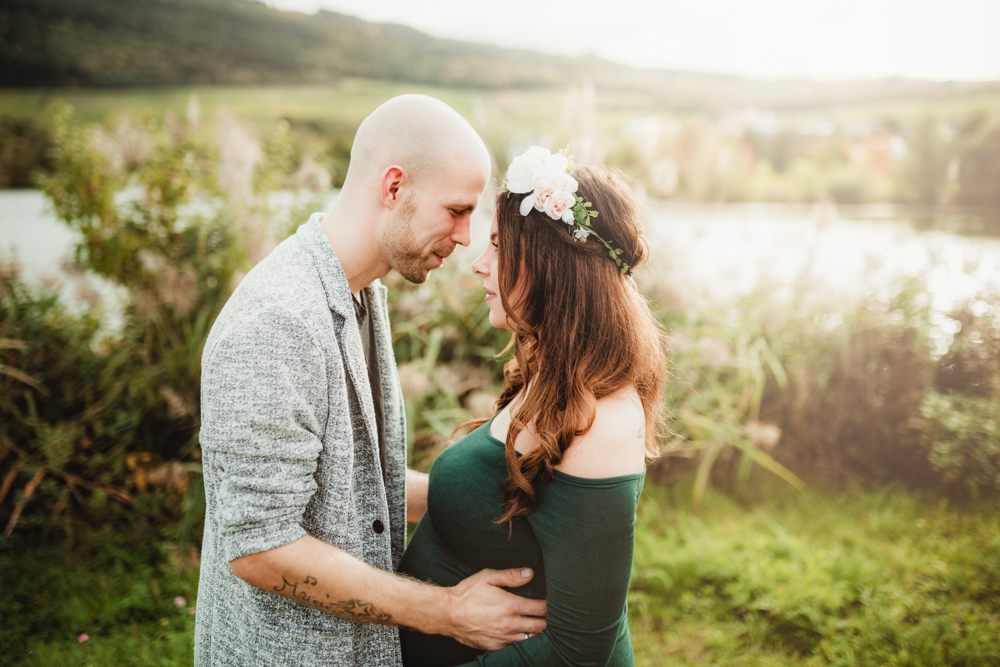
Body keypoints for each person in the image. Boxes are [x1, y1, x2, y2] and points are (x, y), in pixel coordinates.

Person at [194, 95, 547, 667]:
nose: (466, 238)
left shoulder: (362, 291)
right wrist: (447, 611)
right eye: (458, 210)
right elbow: (260, 548)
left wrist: (504, 504)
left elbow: (352, 487)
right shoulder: (277, 321)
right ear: (393, 188)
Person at [398, 147, 668, 666]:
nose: (478, 264)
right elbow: (487, 506)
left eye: (498, 246)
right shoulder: (552, 376)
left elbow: (578, 650)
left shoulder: (602, 422)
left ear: (552, 265)